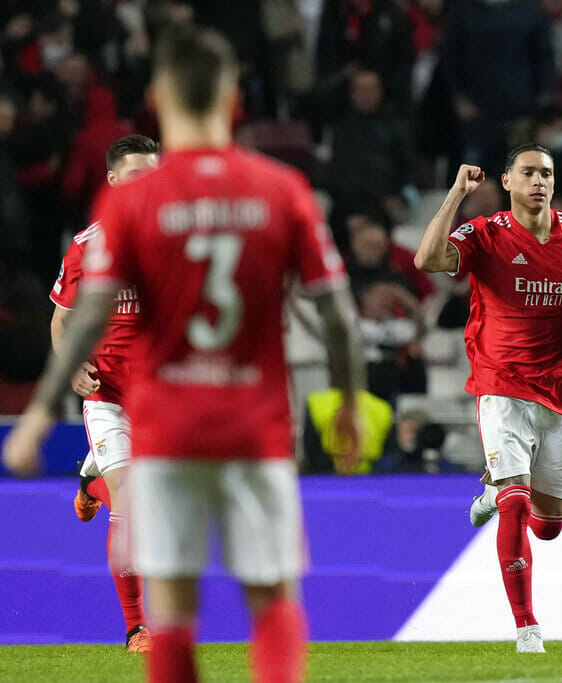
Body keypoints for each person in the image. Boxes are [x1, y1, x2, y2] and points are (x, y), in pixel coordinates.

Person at [2, 26, 363, 683]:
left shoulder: (136, 204)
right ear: (232, 99)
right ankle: (134, 618)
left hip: (165, 420)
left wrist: (35, 416)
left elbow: (81, 320)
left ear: (162, 99)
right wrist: (346, 404)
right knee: (273, 598)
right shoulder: (282, 189)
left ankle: (148, 619)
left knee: (175, 607)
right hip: (250, 421)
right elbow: (336, 315)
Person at [413, 144, 562, 653]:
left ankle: (491, 488)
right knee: (516, 505)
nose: (538, 181)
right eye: (527, 173)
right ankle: (527, 628)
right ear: (506, 181)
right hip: (501, 383)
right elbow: (428, 258)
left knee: (549, 527)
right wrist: (457, 192)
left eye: (546, 173)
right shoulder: (487, 234)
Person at [51, 134, 159, 653]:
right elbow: (62, 320)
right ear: (114, 181)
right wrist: (72, 368)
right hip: (109, 396)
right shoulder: (87, 245)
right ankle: (137, 628)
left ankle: (90, 482)